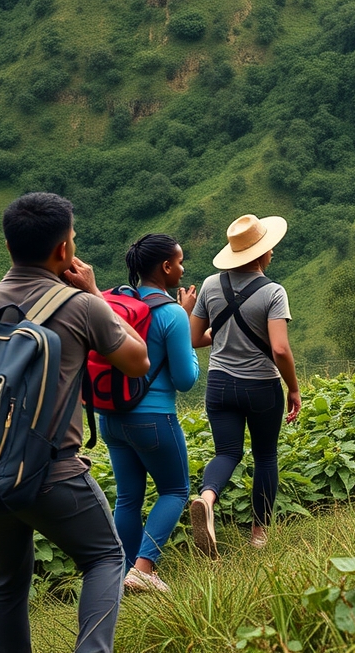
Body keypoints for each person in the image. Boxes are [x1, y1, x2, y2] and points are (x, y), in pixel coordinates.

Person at [0, 193, 149, 653]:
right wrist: (96, 294)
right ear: (64, 250)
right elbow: (138, 361)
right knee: (105, 557)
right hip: (50, 473)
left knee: (8, 576)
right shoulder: (81, 307)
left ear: (7, 246)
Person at [189, 214, 302, 558]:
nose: (272, 254)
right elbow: (280, 348)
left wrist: (223, 336)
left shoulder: (210, 285)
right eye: (269, 249)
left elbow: (194, 338)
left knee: (227, 453)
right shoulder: (273, 292)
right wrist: (293, 388)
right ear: (260, 254)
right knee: (265, 455)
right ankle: (258, 533)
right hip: (261, 387)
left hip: (220, 384)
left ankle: (207, 499)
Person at [100, 234, 200, 594]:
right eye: (180, 261)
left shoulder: (116, 304)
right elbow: (185, 379)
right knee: (175, 489)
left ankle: (127, 573)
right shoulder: (171, 313)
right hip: (153, 417)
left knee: (128, 497)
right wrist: (186, 329)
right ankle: (144, 569)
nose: (183, 268)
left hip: (110, 418)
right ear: (166, 267)